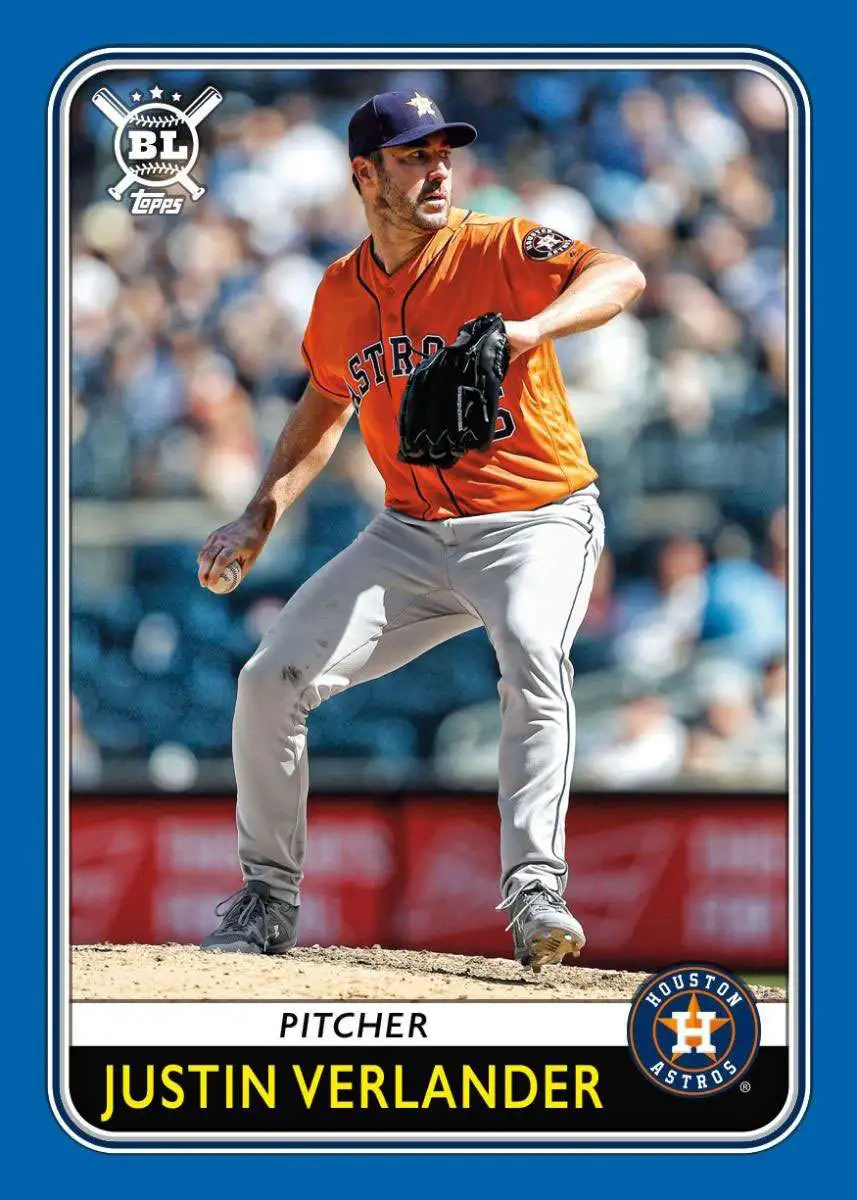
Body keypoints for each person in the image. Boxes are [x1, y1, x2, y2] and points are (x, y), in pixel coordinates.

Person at [196, 91, 645, 970]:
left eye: (443, 154)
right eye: (412, 156)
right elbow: (324, 402)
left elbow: (620, 275)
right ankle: (267, 898)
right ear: (364, 175)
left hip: (534, 520)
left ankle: (535, 888)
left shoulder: (499, 246)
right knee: (268, 679)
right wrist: (259, 512)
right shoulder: (340, 291)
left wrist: (532, 328)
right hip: (408, 532)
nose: (437, 170)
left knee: (531, 651)